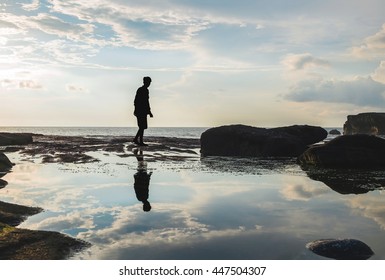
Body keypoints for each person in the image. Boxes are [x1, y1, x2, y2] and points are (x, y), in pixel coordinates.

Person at [133, 76, 153, 146]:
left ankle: (136, 139)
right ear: (145, 82)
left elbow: (146, 102)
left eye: (149, 82)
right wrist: (149, 111)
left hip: (142, 111)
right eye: (148, 82)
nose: (149, 84)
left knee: (142, 127)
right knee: (142, 126)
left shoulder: (145, 90)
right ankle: (139, 141)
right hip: (140, 111)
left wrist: (149, 111)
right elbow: (138, 101)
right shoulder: (141, 90)